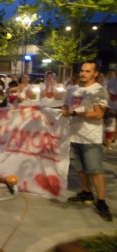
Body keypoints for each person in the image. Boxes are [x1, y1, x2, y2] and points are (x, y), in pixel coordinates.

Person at [63, 60, 112, 222]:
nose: (83, 74)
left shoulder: (99, 91)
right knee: (80, 168)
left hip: (91, 137)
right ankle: (86, 192)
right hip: (74, 135)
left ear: (95, 73)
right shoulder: (72, 90)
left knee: (95, 170)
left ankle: (102, 202)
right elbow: (65, 109)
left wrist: (76, 113)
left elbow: (98, 114)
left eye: (88, 71)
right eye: (82, 71)